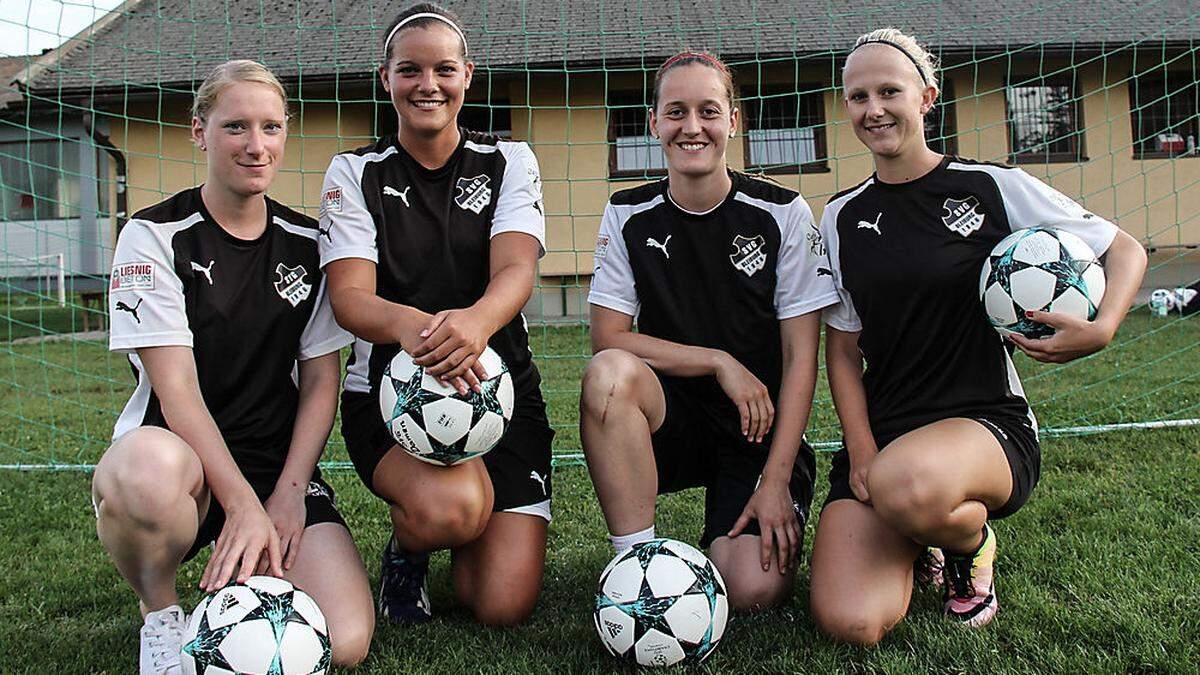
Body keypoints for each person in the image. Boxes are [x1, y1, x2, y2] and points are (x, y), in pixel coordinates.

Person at [810, 28, 1147, 644]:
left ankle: (969, 540)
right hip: (887, 439)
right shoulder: (841, 215)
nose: (874, 109)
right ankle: (922, 530)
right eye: (858, 97)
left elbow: (1123, 249)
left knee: (906, 485)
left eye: (890, 91)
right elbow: (841, 348)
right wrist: (860, 451)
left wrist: (1101, 330)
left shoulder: (992, 186)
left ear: (927, 97)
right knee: (850, 622)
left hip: (985, 423)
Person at [92, 60, 374, 673]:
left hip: (275, 466)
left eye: (271, 128)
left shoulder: (308, 243)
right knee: (142, 471)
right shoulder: (153, 236)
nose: (256, 145)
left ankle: (232, 593)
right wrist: (241, 505)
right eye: (235, 127)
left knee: (345, 642)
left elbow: (322, 382)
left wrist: (288, 495)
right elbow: (177, 392)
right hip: (181, 460)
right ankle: (161, 618)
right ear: (200, 132)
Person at [318, 3, 552, 627]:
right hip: (393, 392)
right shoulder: (354, 173)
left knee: (501, 604)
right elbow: (349, 299)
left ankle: (468, 510)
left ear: (467, 75)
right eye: (410, 70)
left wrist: (475, 324)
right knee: (453, 511)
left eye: (444, 69)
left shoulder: (509, 161)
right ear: (385, 78)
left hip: (500, 389)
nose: (428, 85)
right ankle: (412, 548)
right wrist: (415, 332)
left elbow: (516, 272)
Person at [581, 50, 839, 610]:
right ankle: (635, 567)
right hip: (671, 422)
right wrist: (719, 360)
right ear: (653, 123)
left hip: (758, 429)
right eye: (675, 112)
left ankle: (736, 525)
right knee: (608, 375)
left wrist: (774, 481)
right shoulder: (627, 214)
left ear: (733, 120)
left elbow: (801, 360)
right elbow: (609, 338)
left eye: (708, 111)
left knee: (751, 589)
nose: (691, 127)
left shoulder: (783, 213)